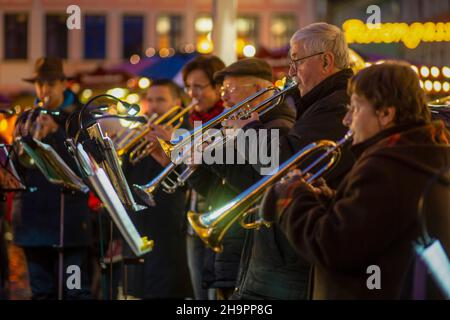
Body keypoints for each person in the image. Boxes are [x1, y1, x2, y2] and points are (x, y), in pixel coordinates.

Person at [263, 61, 450, 299]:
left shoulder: (387, 166)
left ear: (385, 114)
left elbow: (332, 246)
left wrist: (294, 196)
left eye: (355, 108)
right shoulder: (421, 155)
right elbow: (373, 228)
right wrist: (329, 199)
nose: (346, 120)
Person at [214, 23, 355, 299]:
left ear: (326, 61)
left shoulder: (335, 105)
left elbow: (285, 166)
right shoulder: (317, 104)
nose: (291, 72)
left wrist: (248, 130)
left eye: (296, 60)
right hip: (282, 252)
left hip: (292, 258)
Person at [186, 58, 296, 299]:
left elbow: (258, 183)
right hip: (233, 240)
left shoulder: (277, 125)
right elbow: (218, 189)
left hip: (253, 244)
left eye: (230, 89)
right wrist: (196, 169)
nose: (224, 97)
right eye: (222, 90)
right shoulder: (239, 125)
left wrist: (213, 156)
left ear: (258, 90)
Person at [12, 57, 92, 299]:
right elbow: (18, 169)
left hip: (70, 224)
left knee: (75, 291)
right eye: (39, 84)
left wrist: (56, 135)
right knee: (41, 292)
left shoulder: (79, 118)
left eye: (50, 84)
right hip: (32, 222)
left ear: (63, 84)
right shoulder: (26, 118)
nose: (44, 91)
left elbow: (87, 167)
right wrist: (19, 148)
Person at [121, 79, 192, 299]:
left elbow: (192, 179)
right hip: (140, 224)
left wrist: (171, 149)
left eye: (160, 100)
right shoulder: (139, 133)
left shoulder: (187, 134)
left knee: (166, 288)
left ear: (177, 103)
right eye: (150, 100)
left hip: (170, 226)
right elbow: (125, 177)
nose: (153, 106)